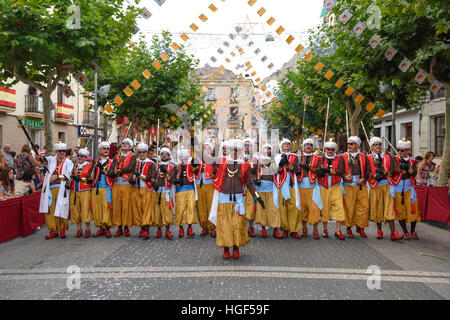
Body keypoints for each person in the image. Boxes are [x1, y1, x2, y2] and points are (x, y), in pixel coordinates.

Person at [208, 139, 265, 259]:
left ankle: (236, 248)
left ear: (241, 151)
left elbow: (249, 184)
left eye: (237, 150)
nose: (234, 152)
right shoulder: (222, 162)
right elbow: (208, 158)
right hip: (223, 199)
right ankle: (226, 249)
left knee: (237, 225)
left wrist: (258, 197)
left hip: (238, 200)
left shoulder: (245, 166)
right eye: (232, 150)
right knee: (225, 225)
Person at [367, 137, 403, 240]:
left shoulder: (389, 157)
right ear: (372, 147)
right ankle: (379, 231)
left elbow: (395, 169)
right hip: (376, 186)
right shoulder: (368, 158)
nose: (378, 146)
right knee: (378, 208)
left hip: (387, 185)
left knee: (389, 208)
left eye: (379, 144)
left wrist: (400, 168)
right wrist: (373, 176)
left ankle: (393, 232)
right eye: (375, 144)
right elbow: (366, 172)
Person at [39, 142, 74, 239]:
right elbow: (44, 160)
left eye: (64, 151)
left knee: (62, 208)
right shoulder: (51, 160)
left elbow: (68, 176)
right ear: (56, 152)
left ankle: (62, 229)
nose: (62, 152)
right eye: (60, 151)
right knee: (50, 210)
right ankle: (53, 230)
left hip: (62, 189)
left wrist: (57, 176)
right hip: (50, 189)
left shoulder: (68, 162)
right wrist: (41, 158)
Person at [342, 136, 370, 238]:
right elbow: (340, 171)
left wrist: (364, 178)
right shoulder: (343, 156)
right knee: (349, 207)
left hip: (361, 185)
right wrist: (345, 176)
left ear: (357, 145)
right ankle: (349, 228)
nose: (349, 146)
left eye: (351, 144)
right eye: (348, 144)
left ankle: (361, 227)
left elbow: (368, 171)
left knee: (363, 207)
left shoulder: (363, 157)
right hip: (348, 185)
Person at [108, 138, 136, 237]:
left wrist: (118, 171)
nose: (124, 144)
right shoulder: (117, 156)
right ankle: (119, 227)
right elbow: (112, 168)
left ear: (130, 146)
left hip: (126, 183)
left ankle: (126, 227)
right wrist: (111, 173)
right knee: (117, 206)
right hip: (116, 183)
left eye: (127, 143)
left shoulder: (132, 156)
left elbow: (130, 167)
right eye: (123, 143)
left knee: (126, 206)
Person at [317, 140, 346, 240]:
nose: (330, 151)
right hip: (323, 186)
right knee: (325, 208)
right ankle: (325, 229)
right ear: (325, 149)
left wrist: (330, 171)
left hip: (336, 186)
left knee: (339, 207)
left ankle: (338, 230)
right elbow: (317, 171)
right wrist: (321, 172)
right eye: (328, 149)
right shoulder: (320, 158)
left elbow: (341, 171)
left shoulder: (339, 158)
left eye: (332, 150)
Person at [253, 143, 282, 238]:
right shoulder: (258, 160)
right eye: (266, 148)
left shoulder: (274, 160)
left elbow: (277, 171)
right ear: (262, 150)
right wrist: (255, 179)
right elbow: (252, 172)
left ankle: (275, 230)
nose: (268, 150)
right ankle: (263, 229)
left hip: (271, 187)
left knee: (274, 208)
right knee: (262, 208)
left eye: (269, 149)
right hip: (261, 187)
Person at [296, 138, 323, 239]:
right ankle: (304, 229)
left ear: (312, 147)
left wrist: (309, 168)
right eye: (306, 144)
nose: (308, 146)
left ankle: (315, 230)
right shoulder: (299, 157)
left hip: (313, 187)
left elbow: (319, 170)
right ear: (303, 146)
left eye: (310, 145)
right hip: (300, 187)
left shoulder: (317, 158)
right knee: (302, 209)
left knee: (314, 209)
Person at [394, 138, 421, 240]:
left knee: (413, 209)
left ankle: (413, 231)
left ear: (408, 151)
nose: (400, 152)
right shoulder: (395, 159)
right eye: (399, 150)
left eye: (402, 150)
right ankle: (405, 232)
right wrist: (400, 168)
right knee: (400, 211)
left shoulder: (412, 161)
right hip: (398, 188)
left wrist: (408, 168)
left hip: (409, 188)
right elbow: (393, 171)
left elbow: (414, 173)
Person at [275, 138, 301, 238]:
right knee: (282, 207)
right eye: (284, 144)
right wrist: (280, 165)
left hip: (292, 184)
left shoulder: (295, 157)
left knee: (293, 207)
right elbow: (274, 170)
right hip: (281, 185)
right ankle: (285, 229)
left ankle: (293, 230)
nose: (286, 145)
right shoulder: (277, 157)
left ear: (290, 146)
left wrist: (288, 164)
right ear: (281, 146)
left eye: (288, 144)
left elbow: (296, 169)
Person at [130, 143, 155, 240]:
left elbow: (151, 177)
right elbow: (132, 175)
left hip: (146, 188)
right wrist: (132, 178)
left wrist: (140, 175)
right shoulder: (136, 162)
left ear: (147, 153)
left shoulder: (151, 163)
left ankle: (146, 230)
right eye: (139, 152)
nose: (141, 154)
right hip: (136, 188)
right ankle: (142, 227)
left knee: (146, 209)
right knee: (137, 209)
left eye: (143, 152)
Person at [88, 142, 114, 238]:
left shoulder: (112, 162)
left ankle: (107, 228)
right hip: (96, 187)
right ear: (100, 151)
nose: (106, 150)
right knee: (97, 208)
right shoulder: (95, 161)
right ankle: (101, 229)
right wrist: (95, 168)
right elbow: (90, 174)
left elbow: (112, 174)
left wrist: (103, 169)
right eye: (104, 148)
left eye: (107, 148)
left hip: (106, 187)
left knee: (106, 208)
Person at [173, 149, 199, 237]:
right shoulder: (176, 167)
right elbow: (171, 178)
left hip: (190, 189)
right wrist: (175, 180)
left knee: (190, 208)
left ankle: (189, 228)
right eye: (182, 158)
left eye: (185, 158)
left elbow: (196, 170)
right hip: (180, 190)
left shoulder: (191, 166)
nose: (183, 160)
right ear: (179, 158)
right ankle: (181, 229)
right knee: (180, 209)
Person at [152, 147, 175, 239]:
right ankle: (159, 230)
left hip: (166, 192)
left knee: (167, 212)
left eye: (166, 154)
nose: (164, 155)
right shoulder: (155, 165)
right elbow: (153, 176)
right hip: (158, 191)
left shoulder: (173, 166)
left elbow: (171, 180)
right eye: (162, 154)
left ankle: (167, 231)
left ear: (169, 156)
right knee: (158, 212)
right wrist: (154, 182)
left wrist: (166, 173)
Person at [69, 148, 93, 238]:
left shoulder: (89, 166)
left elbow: (91, 179)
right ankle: (79, 229)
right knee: (75, 210)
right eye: (79, 156)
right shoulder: (74, 166)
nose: (80, 157)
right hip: (74, 191)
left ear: (86, 157)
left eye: (82, 156)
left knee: (85, 209)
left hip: (85, 190)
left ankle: (88, 229)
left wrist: (81, 179)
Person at [195, 141, 217, 238]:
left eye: (207, 149)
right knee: (200, 206)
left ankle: (212, 227)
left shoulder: (213, 160)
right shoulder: (197, 160)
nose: (205, 150)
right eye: (204, 148)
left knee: (210, 205)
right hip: (199, 184)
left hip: (210, 184)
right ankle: (204, 227)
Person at [243, 138, 257, 237]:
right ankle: (242, 227)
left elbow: (253, 170)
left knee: (251, 205)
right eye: (245, 145)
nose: (247, 147)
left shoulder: (254, 158)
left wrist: (249, 160)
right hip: (239, 185)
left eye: (249, 145)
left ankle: (250, 227)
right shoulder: (238, 157)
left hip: (250, 184)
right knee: (241, 205)